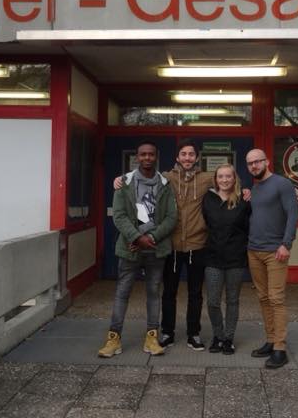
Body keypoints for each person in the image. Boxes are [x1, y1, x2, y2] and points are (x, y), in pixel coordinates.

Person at [114, 140, 213, 350]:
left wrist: (245, 191)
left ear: (197, 157)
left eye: (191, 154)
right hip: (172, 245)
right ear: (177, 157)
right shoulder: (167, 178)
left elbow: (229, 180)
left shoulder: (207, 178)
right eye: (183, 154)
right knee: (168, 292)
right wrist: (119, 180)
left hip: (196, 244)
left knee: (195, 293)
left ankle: (194, 334)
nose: (187, 158)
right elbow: (134, 188)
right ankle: (167, 332)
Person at [98, 140, 177, 358]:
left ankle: (152, 338)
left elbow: (171, 217)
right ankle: (113, 339)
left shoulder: (165, 184)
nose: (147, 158)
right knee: (122, 293)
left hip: (156, 248)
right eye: (143, 154)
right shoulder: (124, 182)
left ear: (156, 156)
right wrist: (136, 237)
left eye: (151, 154)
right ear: (137, 157)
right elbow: (119, 215)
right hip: (130, 248)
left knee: (153, 293)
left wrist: (151, 237)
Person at [244, 148, 298, 369]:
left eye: (257, 161)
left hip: (275, 251)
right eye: (250, 163)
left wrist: (286, 243)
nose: (254, 166)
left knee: (276, 298)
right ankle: (270, 339)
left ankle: (280, 347)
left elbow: (292, 215)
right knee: (264, 297)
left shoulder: (282, 184)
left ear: (267, 161)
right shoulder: (255, 188)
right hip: (254, 250)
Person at [201, 164, 250, 355]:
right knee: (213, 301)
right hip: (213, 258)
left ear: (234, 178)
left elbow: (248, 226)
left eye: (228, 176)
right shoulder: (208, 198)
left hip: (235, 258)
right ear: (216, 179)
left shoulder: (243, 199)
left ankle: (228, 338)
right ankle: (218, 336)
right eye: (220, 176)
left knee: (232, 300)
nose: (224, 180)